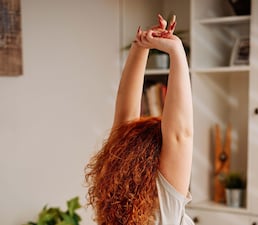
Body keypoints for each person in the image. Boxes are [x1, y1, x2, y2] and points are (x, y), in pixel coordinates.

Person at [85, 14, 194, 225]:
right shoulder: (165, 201)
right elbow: (180, 134)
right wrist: (176, 50)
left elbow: (125, 117)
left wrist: (140, 46)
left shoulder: (114, 188)